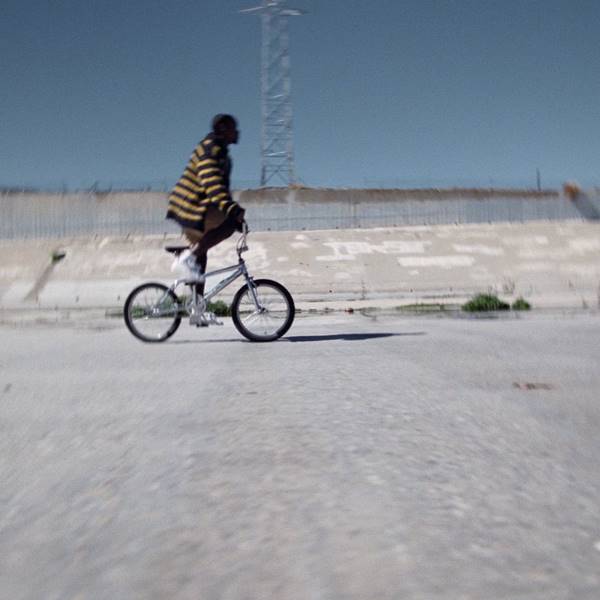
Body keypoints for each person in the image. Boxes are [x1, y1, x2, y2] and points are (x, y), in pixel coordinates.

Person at [166, 114, 245, 294]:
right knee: (228, 226)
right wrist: (233, 212)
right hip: (191, 206)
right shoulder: (210, 149)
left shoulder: (222, 153)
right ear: (223, 129)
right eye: (233, 128)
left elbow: (222, 190)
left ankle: (197, 307)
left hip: (197, 206)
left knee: (201, 256)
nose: (237, 132)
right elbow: (212, 184)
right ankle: (187, 258)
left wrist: (232, 210)